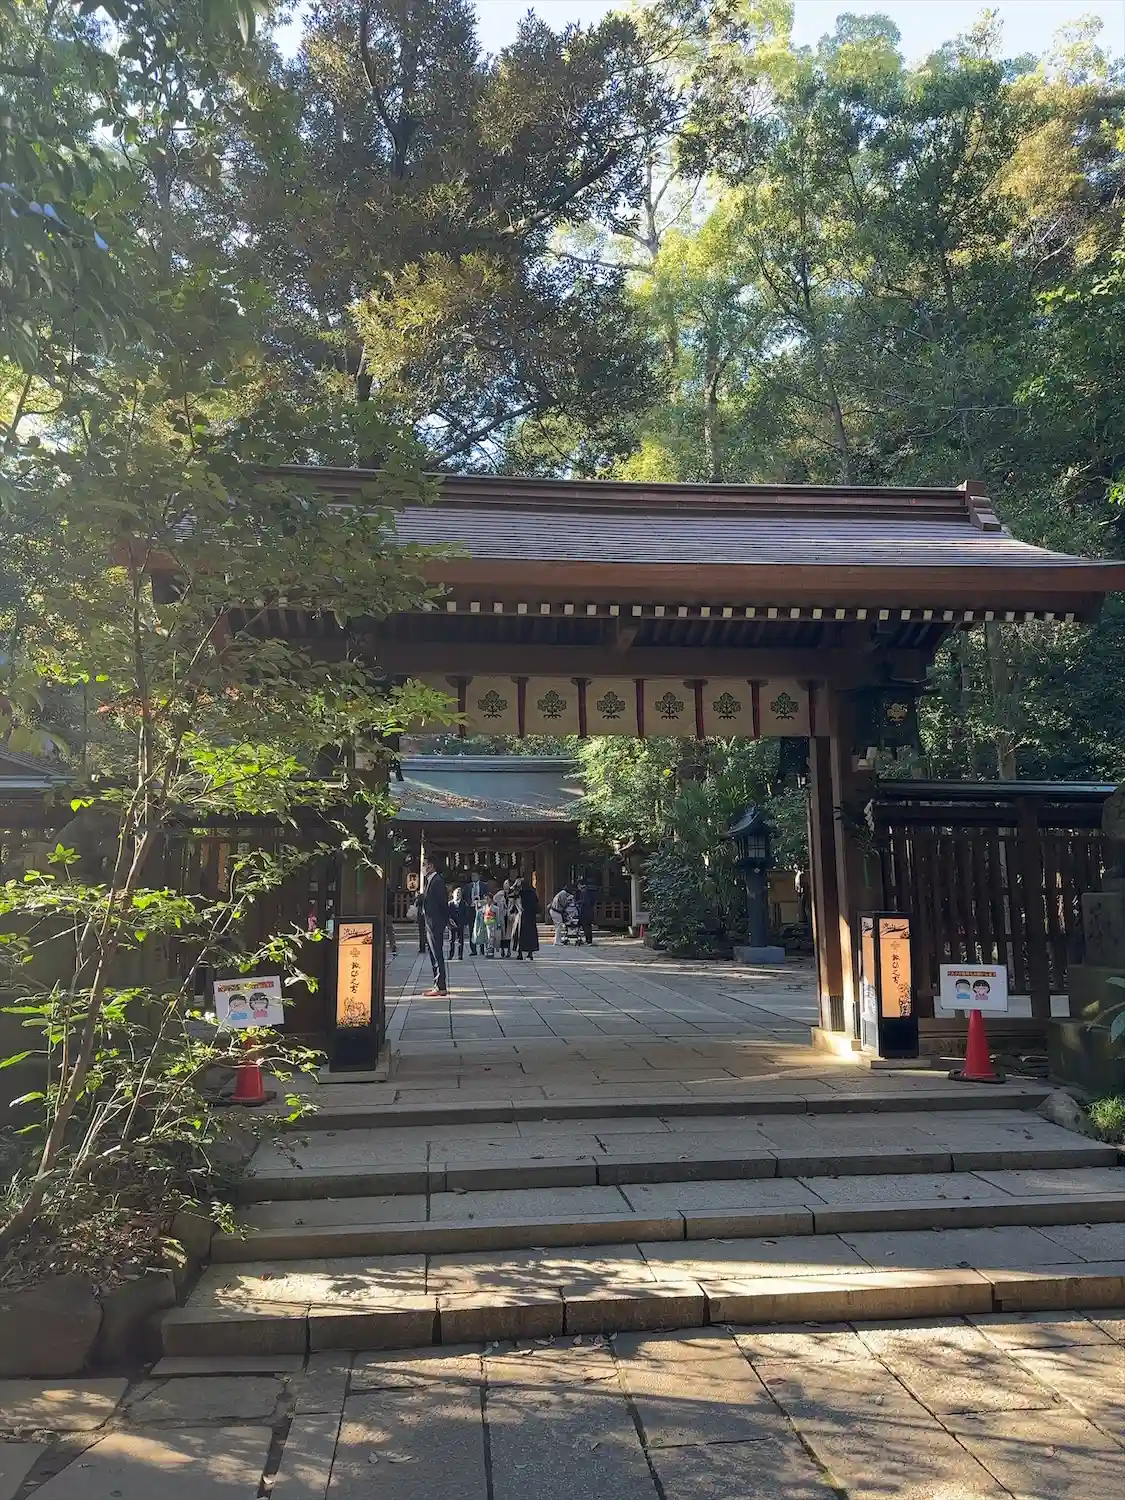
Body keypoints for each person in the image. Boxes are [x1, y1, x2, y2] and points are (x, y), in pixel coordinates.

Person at [420, 857, 449, 996]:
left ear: (430, 866)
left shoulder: (437, 881)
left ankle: (440, 985)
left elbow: (442, 903)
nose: (422, 868)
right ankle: (437, 984)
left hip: (435, 922)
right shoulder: (430, 881)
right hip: (430, 921)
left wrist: (446, 920)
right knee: (433, 953)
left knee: (437, 953)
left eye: (424, 865)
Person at [514, 878, 540, 960]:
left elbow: (516, 901)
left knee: (520, 934)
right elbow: (536, 904)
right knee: (531, 935)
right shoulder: (533, 893)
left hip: (522, 916)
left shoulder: (521, 893)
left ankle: (520, 953)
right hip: (531, 917)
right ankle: (530, 953)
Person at [467, 868, 490, 955]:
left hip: (481, 909)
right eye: (472, 876)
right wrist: (470, 902)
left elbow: (488, 896)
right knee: (471, 929)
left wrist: (481, 902)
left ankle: (482, 949)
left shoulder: (484, 885)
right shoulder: (468, 886)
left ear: (478, 876)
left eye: (475, 875)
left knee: (482, 928)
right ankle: (473, 949)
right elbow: (465, 897)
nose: (473, 877)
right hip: (471, 909)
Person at [447, 886, 468, 961]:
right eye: (456, 893)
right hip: (452, 924)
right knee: (451, 940)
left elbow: (466, 914)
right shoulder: (450, 904)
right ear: (453, 894)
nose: (458, 894)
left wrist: (465, 923)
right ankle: (451, 955)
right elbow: (447, 914)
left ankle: (460, 955)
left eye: (459, 893)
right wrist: (449, 922)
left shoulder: (464, 903)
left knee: (460, 940)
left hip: (460, 924)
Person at [578, 880, 596, 946]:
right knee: (588, 927)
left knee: (586, 927)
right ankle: (589, 940)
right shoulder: (589, 891)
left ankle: (588, 941)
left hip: (585, 911)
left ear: (580, 885)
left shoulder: (584, 891)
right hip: (590, 910)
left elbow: (585, 901)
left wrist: (578, 902)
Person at [495, 881, 511, 958]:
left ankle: (509, 950)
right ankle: (502, 950)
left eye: (508, 884)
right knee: (501, 934)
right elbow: (494, 902)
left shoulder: (512, 894)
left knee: (509, 934)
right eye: (505, 884)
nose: (507, 886)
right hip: (501, 915)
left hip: (509, 917)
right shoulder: (499, 894)